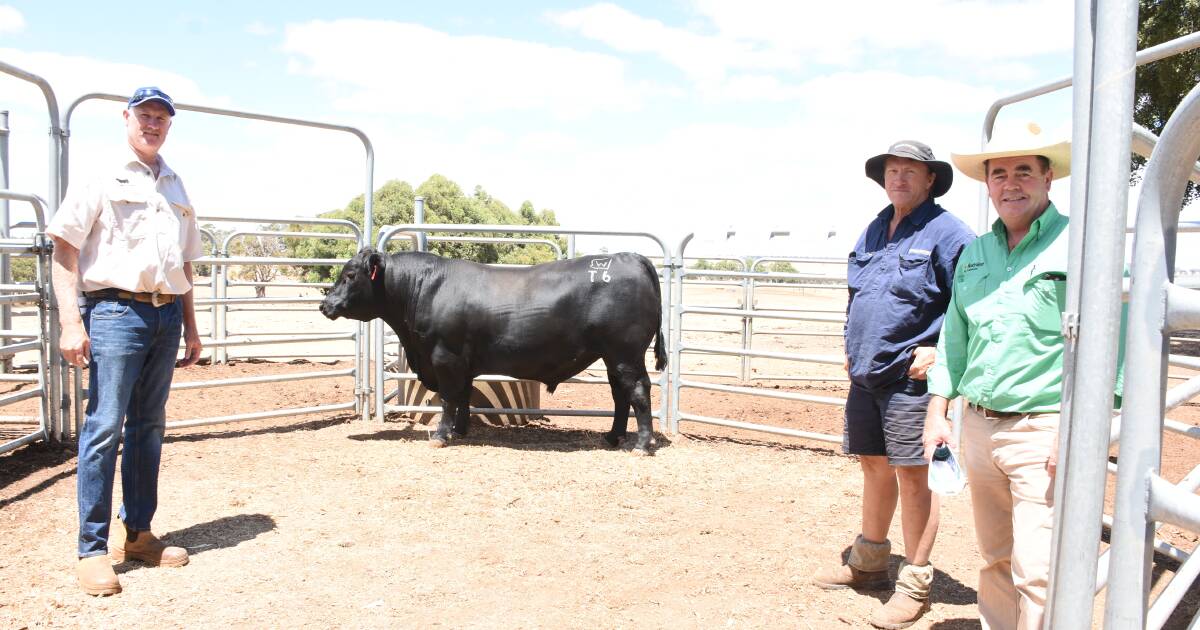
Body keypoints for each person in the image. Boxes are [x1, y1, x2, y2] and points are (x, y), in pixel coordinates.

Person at [923, 122, 1106, 629]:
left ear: (1049, 178)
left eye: (1024, 170)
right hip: (979, 427)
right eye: (999, 173)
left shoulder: (1083, 245)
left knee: (1039, 568)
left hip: (1044, 426)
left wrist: (1081, 426)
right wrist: (938, 411)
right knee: (995, 557)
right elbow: (954, 338)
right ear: (987, 184)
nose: (1011, 183)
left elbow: (1112, 342)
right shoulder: (976, 253)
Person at [49, 86, 204, 596]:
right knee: (104, 426)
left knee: (148, 427)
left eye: (161, 116)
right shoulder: (101, 176)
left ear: (169, 124)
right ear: (127, 118)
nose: (152, 123)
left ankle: (137, 533)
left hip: (164, 318)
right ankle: (91, 549)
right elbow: (65, 252)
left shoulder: (176, 185)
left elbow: (183, 265)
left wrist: (192, 327)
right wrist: (72, 323)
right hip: (115, 311)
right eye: (145, 115)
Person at [814, 140, 975, 629]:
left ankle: (914, 583)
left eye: (910, 171)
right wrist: (849, 342)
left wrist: (941, 349)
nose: (899, 178)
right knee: (874, 465)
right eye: (892, 171)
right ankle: (868, 564)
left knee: (913, 476)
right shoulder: (873, 230)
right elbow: (855, 292)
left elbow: (969, 301)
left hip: (912, 375)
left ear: (930, 180)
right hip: (866, 372)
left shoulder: (951, 234)